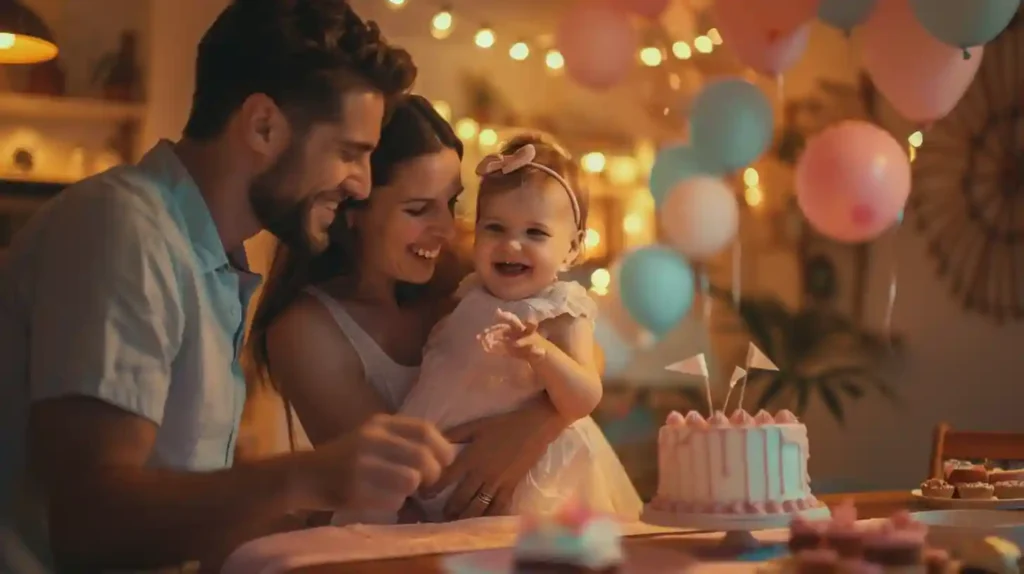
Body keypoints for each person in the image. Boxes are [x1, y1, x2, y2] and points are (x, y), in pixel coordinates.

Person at [0, 1, 455, 570]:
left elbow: (176, 511)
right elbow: (86, 523)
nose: (361, 185)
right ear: (262, 125)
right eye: (348, 154)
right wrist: (308, 476)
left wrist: (319, 522)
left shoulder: (211, 260)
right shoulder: (124, 229)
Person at [248, 113, 576, 524]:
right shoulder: (307, 330)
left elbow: (579, 342)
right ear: (353, 209)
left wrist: (535, 424)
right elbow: (404, 493)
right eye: (419, 209)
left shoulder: (462, 275)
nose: (446, 227)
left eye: (452, 203)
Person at [395, 134, 642, 522]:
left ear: (573, 248)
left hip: (532, 484)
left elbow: (585, 397)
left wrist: (541, 354)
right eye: (495, 228)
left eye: (535, 233)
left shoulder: (559, 309)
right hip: (447, 474)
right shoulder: (470, 291)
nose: (511, 245)